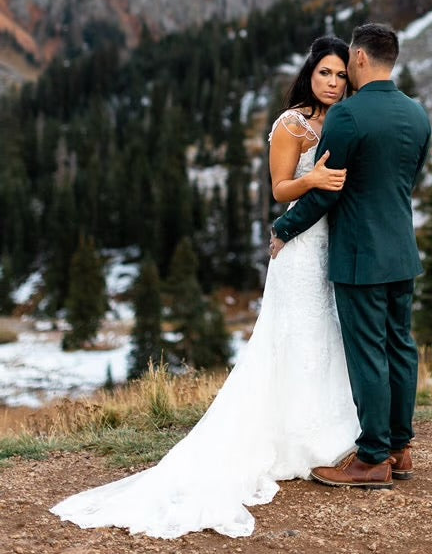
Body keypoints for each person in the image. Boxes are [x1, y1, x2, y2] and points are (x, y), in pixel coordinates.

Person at [50, 36, 359, 539]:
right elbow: (280, 188)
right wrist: (314, 179)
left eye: (341, 75)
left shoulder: (344, 120)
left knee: (326, 335)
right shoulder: (291, 124)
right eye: (325, 73)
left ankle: (327, 432)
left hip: (333, 244)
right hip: (299, 248)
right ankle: (289, 438)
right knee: (294, 337)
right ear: (310, 74)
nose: (333, 82)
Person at [271, 22, 431, 489]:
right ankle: (400, 448)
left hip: (360, 253)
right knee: (400, 346)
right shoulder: (418, 114)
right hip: (402, 249)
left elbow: (328, 190)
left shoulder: (348, 117)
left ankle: (372, 458)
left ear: (359, 58)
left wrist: (285, 227)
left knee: (367, 354)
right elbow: (405, 181)